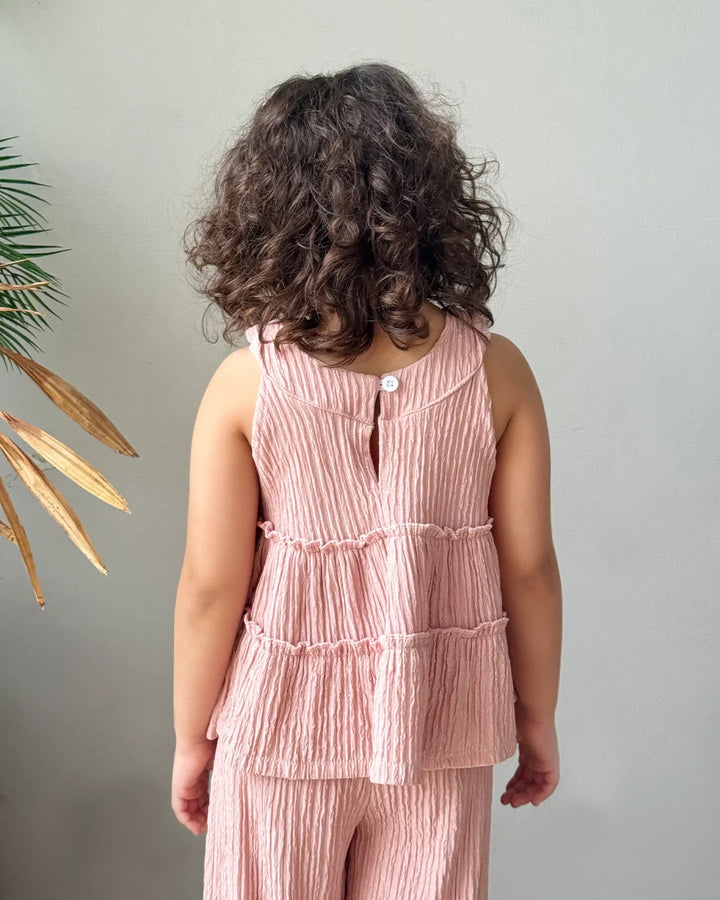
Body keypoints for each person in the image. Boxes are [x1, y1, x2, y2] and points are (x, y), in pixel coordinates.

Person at [172, 62, 562, 899]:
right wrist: (536, 719)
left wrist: (191, 739)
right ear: (429, 202)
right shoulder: (500, 374)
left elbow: (211, 585)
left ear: (266, 210)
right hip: (442, 728)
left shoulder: (247, 384)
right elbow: (528, 569)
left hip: (280, 730)